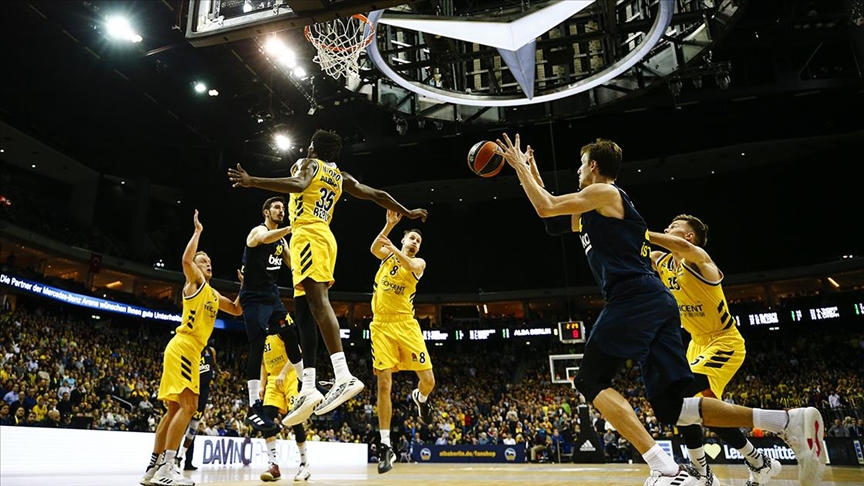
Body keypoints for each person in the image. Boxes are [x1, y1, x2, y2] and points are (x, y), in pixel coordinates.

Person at [495, 134, 825, 486]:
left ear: (594, 166)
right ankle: (788, 421)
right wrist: (531, 172)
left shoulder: (605, 193)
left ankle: (665, 469)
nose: (577, 171)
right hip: (655, 302)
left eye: (580, 165)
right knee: (675, 408)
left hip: (634, 297)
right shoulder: (589, 210)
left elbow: (547, 205)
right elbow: (551, 218)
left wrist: (518, 168)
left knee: (589, 379)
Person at [228, 129, 428, 425]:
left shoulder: (308, 164)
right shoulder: (341, 176)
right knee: (303, 311)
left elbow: (299, 184)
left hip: (309, 235)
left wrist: (253, 181)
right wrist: (406, 211)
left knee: (319, 303)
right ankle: (308, 387)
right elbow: (377, 195)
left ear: (313, 147)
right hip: (318, 238)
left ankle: (343, 375)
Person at [649, 215, 782, 484]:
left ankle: (701, 471)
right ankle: (758, 461)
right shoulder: (661, 260)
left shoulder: (699, 260)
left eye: (674, 227)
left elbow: (680, 248)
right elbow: (629, 251)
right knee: (700, 411)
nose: (667, 229)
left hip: (724, 341)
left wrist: (640, 231)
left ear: (689, 236)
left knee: (681, 393)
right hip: (696, 343)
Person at [141, 210, 243, 486]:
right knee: (189, 406)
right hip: (185, 346)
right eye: (203, 261)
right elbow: (186, 260)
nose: (207, 264)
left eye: (209, 262)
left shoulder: (213, 294)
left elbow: (236, 309)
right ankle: (168, 468)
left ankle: (153, 468)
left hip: (186, 350)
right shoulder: (194, 283)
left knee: (174, 410)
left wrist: (245, 286)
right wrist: (197, 232)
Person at [368, 209, 435, 474]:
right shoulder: (386, 256)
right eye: (412, 238)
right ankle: (386, 445)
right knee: (384, 383)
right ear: (404, 239)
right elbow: (375, 248)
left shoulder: (419, 263)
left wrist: (395, 249)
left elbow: (409, 265)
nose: (415, 242)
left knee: (429, 381)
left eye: (418, 241)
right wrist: (388, 226)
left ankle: (421, 397)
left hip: (406, 325)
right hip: (381, 325)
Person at [238, 196, 304, 432]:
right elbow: (264, 238)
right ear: (266, 212)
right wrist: (290, 228)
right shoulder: (258, 231)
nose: (281, 210)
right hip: (253, 297)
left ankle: (306, 384)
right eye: (277, 207)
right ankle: (254, 406)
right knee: (257, 344)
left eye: (283, 208)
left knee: (290, 333)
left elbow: (293, 265)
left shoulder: (282, 241)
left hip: (271, 296)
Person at [258, 323, 312, 482]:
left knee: (295, 419)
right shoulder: (261, 335)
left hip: (290, 375)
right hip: (273, 379)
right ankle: (273, 465)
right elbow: (263, 364)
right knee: (267, 419)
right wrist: (261, 384)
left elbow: (297, 352)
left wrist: (283, 373)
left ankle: (305, 464)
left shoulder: (280, 329)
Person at [174, 343, 230, 471]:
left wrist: (220, 372)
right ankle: (172, 458)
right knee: (182, 427)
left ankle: (186, 461)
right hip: (190, 390)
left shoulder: (210, 350)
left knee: (194, 426)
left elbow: (213, 364)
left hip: (203, 392)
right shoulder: (190, 347)